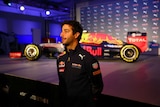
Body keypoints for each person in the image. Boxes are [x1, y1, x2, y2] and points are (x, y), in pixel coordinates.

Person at [56, 20, 104, 107]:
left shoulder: (88, 59)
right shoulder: (60, 58)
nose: (61, 35)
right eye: (62, 31)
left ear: (76, 35)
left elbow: (97, 85)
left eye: (66, 31)